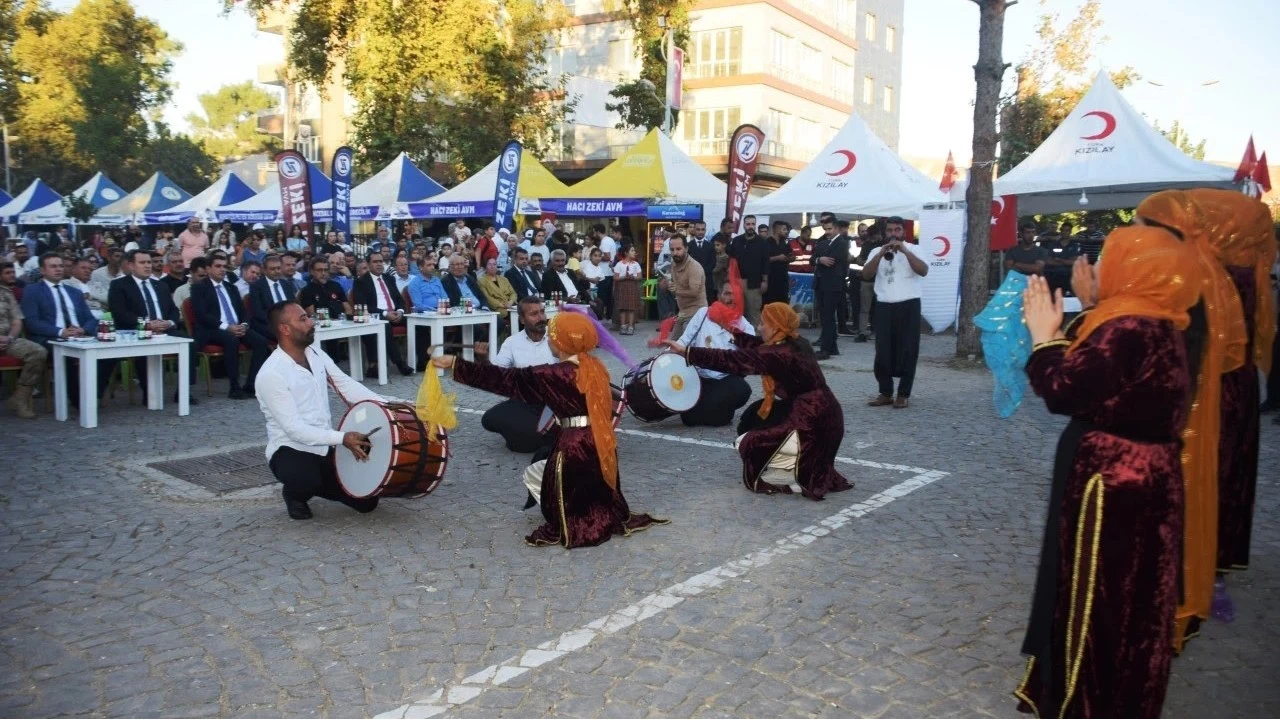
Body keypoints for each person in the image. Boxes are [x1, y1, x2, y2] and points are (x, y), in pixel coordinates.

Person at [1014, 225, 1200, 719]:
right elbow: (1110, 378)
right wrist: (1091, 304)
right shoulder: (1161, 322)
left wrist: (1043, 339)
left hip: (1114, 480)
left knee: (1101, 596)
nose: (1095, 266)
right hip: (1147, 476)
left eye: (1105, 259)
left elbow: (1068, 390)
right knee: (1134, 598)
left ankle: (1089, 700)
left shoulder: (1131, 327)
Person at [434, 310, 667, 548]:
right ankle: (601, 514)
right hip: (598, 438)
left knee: (565, 482)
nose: (550, 340)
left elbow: (505, 379)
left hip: (573, 442)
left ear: (564, 342)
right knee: (593, 480)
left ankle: (579, 522)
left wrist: (456, 364)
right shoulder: (595, 367)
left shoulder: (553, 374)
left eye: (553, 336)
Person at [1132, 189, 1246, 642]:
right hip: (1187, 415)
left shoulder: (1178, 277)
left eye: (1141, 226)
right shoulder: (1204, 273)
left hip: (1171, 424)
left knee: (1164, 518)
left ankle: (1162, 602)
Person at [668, 302, 850, 499]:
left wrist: (688, 352)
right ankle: (791, 465)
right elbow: (756, 345)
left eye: (764, 324)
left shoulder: (777, 354)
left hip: (813, 420)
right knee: (752, 417)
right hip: (829, 414)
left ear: (776, 327)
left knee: (750, 442)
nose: (759, 327)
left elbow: (732, 360)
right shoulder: (796, 342)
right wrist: (732, 332)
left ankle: (792, 473)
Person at [1189, 190, 1276, 585]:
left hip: (1205, 382)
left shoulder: (1206, 270)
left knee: (1201, 468)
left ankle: (1190, 562)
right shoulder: (1253, 269)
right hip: (1239, 384)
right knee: (1230, 472)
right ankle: (1217, 564)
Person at [256, 301, 390, 520]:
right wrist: (343, 438)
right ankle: (294, 494)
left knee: (367, 502)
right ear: (285, 329)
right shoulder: (271, 374)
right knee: (306, 479)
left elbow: (346, 386)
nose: (311, 322)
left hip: (325, 444)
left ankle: (323, 480)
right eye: (303, 319)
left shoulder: (315, 354)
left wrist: (387, 407)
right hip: (290, 449)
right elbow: (294, 430)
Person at [107, 250, 196, 404]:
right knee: (145, 345)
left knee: (189, 343)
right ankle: (149, 392)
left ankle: (183, 391)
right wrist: (146, 324)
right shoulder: (119, 285)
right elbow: (120, 313)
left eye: (149, 262)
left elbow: (173, 310)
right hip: (137, 330)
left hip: (164, 329)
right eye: (143, 263)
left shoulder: (160, 285)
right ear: (131, 265)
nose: (148, 266)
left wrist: (168, 323)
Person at [862, 217, 927, 408]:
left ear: (903, 232)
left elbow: (923, 270)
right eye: (889, 230)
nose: (893, 234)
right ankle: (885, 392)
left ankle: (903, 394)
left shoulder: (914, 249)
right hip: (884, 306)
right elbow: (866, 275)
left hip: (909, 305)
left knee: (908, 349)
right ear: (885, 233)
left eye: (897, 230)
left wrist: (905, 251)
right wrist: (880, 254)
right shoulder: (876, 251)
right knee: (882, 351)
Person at [480, 297, 558, 453]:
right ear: (522, 319)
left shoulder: (557, 338)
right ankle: (538, 432)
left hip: (554, 401)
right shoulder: (512, 342)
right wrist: (483, 359)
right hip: (525, 401)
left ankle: (542, 433)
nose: (541, 318)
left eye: (542, 312)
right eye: (534, 314)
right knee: (489, 418)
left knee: (524, 443)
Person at [672, 281, 754, 427]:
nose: (732, 299)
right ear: (719, 295)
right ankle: (716, 412)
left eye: (736, 295)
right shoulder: (703, 314)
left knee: (742, 389)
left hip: (725, 381)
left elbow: (748, 361)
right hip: (698, 378)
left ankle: (716, 411)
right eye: (727, 294)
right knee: (688, 418)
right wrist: (663, 359)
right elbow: (684, 341)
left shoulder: (745, 326)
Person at [190, 255, 271, 399]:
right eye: (218, 266)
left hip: (237, 327)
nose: (222, 269)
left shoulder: (231, 287)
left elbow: (243, 312)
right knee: (231, 339)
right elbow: (202, 315)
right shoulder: (199, 287)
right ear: (208, 269)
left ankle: (250, 385)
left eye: (224, 266)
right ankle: (234, 387)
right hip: (212, 329)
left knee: (261, 342)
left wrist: (244, 325)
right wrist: (227, 327)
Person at [353, 251, 414, 376]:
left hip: (396, 313)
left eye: (381, 261)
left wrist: (400, 311)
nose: (379, 264)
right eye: (375, 262)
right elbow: (363, 305)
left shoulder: (389, 278)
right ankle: (399, 363)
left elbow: (399, 300)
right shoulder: (361, 282)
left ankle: (422, 359)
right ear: (368, 264)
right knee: (384, 325)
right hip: (376, 315)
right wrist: (386, 313)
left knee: (416, 321)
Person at [0, 264, 47, 418]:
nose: (12, 275)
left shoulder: (6, 293)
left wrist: (10, 337)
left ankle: (20, 397)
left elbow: (17, 321)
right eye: (7, 272)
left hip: (8, 339)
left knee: (38, 352)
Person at [812, 217, 850, 360]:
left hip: (833, 284)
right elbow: (813, 258)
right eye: (825, 229)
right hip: (821, 283)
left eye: (830, 229)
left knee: (828, 316)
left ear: (836, 228)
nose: (827, 232)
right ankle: (832, 347)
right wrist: (819, 259)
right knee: (825, 316)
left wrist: (820, 259)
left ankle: (825, 349)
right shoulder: (822, 243)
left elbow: (833, 260)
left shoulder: (843, 243)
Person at [663, 235, 707, 340]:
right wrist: (665, 285)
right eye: (672, 250)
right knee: (673, 346)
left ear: (686, 249)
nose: (675, 253)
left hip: (696, 313)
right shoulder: (674, 264)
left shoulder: (694, 267)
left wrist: (676, 290)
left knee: (687, 346)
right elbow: (673, 288)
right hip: (683, 313)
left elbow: (694, 292)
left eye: (678, 249)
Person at [728, 215, 769, 325]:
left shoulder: (762, 242)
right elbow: (731, 261)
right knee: (737, 312)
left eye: (752, 224)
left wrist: (765, 281)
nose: (750, 226)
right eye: (748, 224)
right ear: (744, 225)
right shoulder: (737, 241)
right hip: (737, 282)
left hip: (754, 284)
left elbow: (765, 262)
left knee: (753, 313)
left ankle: (755, 339)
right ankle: (738, 339)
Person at [249, 254, 296, 341]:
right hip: (267, 323)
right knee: (286, 334)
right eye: (272, 269)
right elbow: (258, 312)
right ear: (265, 270)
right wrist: (278, 322)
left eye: (278, 268)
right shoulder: (257, 286)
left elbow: (293, 305)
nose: (276, 271)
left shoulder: (286, 284)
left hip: (288, 322)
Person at [613, 244, 643, 335]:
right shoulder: (619, 264)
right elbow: (615, 277)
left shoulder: (636, 264)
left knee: (631, 308)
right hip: (622, 287)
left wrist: (632, 277)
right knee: (622, 307)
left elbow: (639, 276)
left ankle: (630, 326)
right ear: (626, 253)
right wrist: (624, 277)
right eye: (632, 251)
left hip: (632, 286)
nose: (634, 253)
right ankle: (623, 326)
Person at [764, 220, 793, 306]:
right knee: (770, 303)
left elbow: (788, 254)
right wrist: (777, 258)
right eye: (784, 229)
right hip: (771, 279)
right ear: (777, 230)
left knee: (783, 303)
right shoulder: (766, 243)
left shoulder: (784, 243)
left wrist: (790, 258)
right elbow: (763, 260)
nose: (786, 231)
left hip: (783, 279)